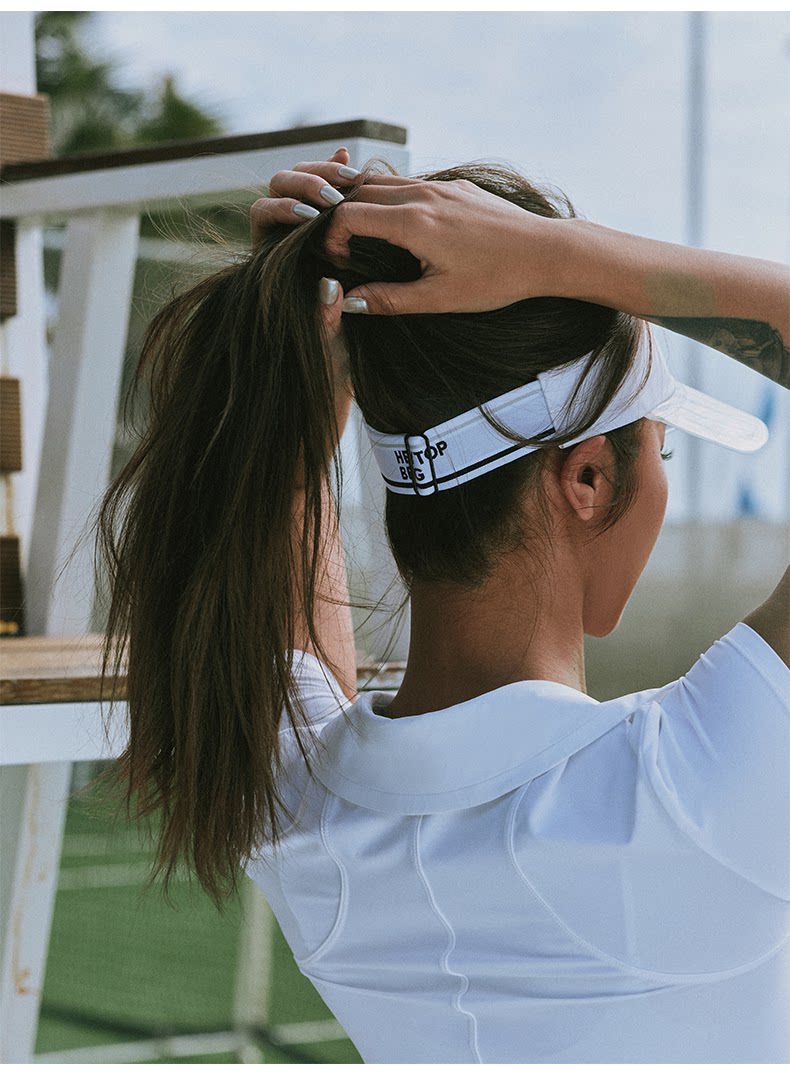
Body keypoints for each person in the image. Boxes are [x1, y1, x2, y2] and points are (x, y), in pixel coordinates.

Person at [94, 147, 789, 1064]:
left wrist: (307, 338)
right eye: (660, 449)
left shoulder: (295, 809)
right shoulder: (698, 797)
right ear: (587, 478)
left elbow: (272, 523)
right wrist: (558, 254)